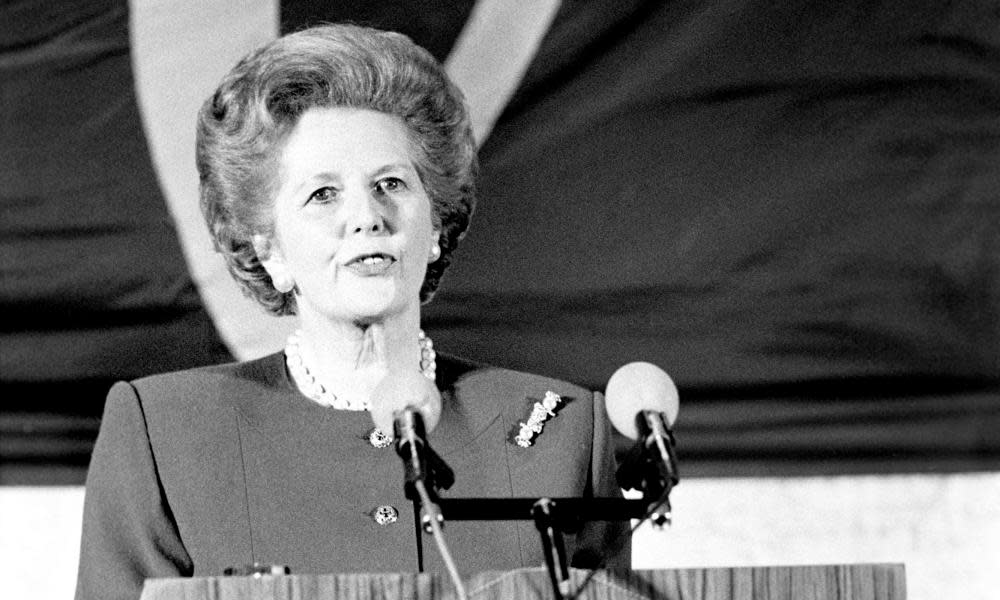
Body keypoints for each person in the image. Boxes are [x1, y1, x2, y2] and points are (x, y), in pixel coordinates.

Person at [75, 23, 629, 600]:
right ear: (269, 249)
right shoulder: (164, 433)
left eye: (391, 183)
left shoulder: (563, 433)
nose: (367, 217)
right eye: (323, 194)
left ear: (436, 226)